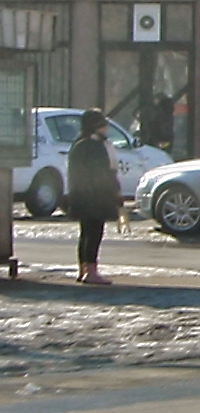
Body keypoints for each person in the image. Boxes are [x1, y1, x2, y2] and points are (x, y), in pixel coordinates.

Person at [65, 108, 122, 286]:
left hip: (81, 195)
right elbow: (104, 173)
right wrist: (114, 192)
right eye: (102, 125)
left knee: (85, 234)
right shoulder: (95, 146)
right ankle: (92, 272)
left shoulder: (79, 144)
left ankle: (83, 270)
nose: (105, 129)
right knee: (94, 233)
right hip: (95, 197)